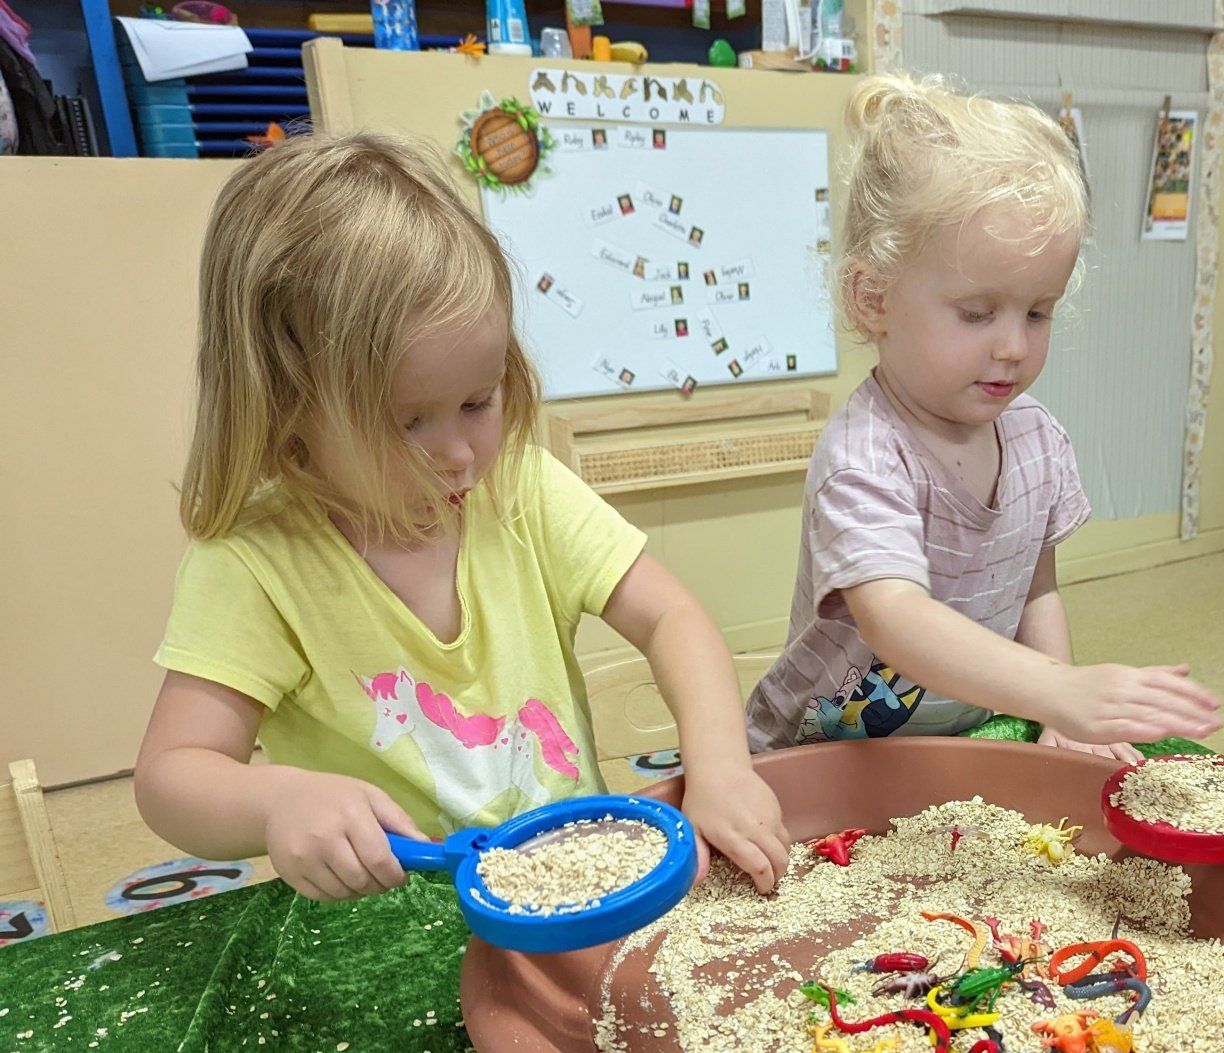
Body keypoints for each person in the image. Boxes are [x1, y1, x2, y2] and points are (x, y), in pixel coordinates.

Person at [135, 132, 788, 901]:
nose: (458, 455)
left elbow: (672, 619)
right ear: (288, 409)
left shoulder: (520, 488)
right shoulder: (255, 564)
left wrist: (718, 766)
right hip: (392, 924)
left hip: (576, 894)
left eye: (479, 401)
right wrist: (280, 800)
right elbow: (171, 776)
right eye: (407, 422)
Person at [744, 73, 1222, 760]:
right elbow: (896, 620)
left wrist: (1060, 707)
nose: (1014, 346)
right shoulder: (867, 454)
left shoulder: (1036, 438)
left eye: (1037, 312)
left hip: (965, 734)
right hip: (824, 749)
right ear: (872, 298)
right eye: (976, 314)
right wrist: (1058, 690)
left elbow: (1036, 586)